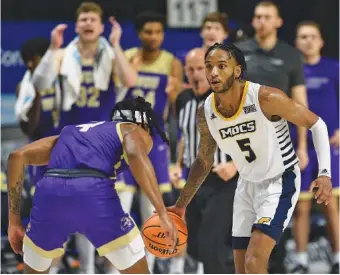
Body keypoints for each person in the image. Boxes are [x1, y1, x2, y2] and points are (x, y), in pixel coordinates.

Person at [169, 43, 332, 274]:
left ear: (237, 71)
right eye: (209, 67)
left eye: (221, 66)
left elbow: (317, 124)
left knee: (254, 262)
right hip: (245, 186)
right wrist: (181, 204)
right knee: (241, 268)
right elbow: (204, 161)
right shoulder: (206, 111)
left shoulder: (266, 97)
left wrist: (324, 173)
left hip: (279, 181)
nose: (213, 72)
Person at [7, 97, 177, 274]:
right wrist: (163, 213)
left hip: (49, 194)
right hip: (94, 193)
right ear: (145, 125)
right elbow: (135, 154)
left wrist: (14, 223)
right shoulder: (133, 129)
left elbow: (16, 157)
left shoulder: (71, 133)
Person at [235, 2, 309, 270]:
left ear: (278, 22)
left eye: (267, 17)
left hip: (280, 145)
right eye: (257, 17)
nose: (261, 21)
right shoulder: (240, 52)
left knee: (276, 209)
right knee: (247, 211)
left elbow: (300, 103)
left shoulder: (291, 55)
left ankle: (275, 264)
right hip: (243, 145)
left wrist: (302, 147)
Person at [116, 11, 183, 271]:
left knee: (151, 213)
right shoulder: (129, 57)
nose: (153, 37)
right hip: (124, 140)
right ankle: (116, 266)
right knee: (120, 211)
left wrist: (175, 93)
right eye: (148, 32)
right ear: (139, 34)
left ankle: (149, 267)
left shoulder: (171, 63)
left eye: (158, 32)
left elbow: (176, 109)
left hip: (154, 141)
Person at [172, 48, 238, 273]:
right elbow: (185, 136)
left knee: (211, 241)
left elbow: (254, 136)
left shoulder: (230, 98)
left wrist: (236, 164)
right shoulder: (182, 99)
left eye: (201, 68)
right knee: (195, 246)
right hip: (194, 180)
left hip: (225, 180)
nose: (196, 73)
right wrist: (177, 164)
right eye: (190, 69)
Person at [32, 1, 137, 125]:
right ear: (76, 27)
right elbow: (40, 85)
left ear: (101, 28)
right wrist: (53, 48)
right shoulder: (62, 55)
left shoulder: (113, 56)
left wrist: (116, 44)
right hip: (69, 128)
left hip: (103, 130)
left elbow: (130, 81)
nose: (88, 23)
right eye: (84, 19)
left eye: (93, 20)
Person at [293, 21, 339, 274]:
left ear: (321, 41)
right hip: (300, 148)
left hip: (329, 148)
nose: (308, 40)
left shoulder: (334, 68)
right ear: (296, 42)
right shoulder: (293, 70)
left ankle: (337, 257)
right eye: (303, 36)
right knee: (301, 206)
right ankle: (300, 260)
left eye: (313, 36)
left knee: (330, 204)